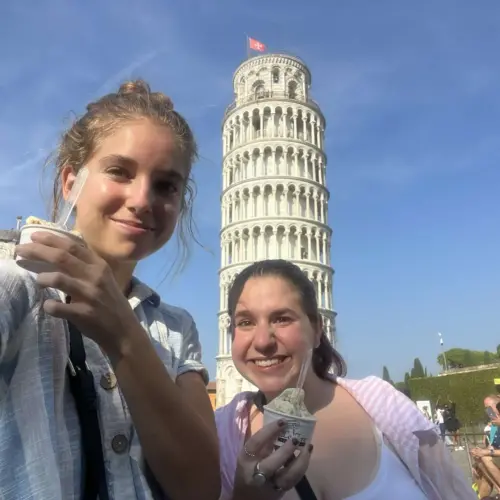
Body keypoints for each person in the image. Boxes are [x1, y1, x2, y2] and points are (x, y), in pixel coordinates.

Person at [0, 80, 220, 499]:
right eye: (120, 171)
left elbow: (200, 487)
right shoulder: (17, 283)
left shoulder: (175, 328)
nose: (142, 199)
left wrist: (124, 335)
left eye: (166, 185)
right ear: (70, 182)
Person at [215, 259, 475, 499]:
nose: (262, 341)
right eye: (246, 322)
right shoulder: (219, 434)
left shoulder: (382, 407)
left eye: (282, 318)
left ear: (317, 329)